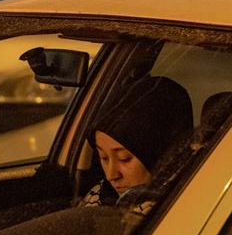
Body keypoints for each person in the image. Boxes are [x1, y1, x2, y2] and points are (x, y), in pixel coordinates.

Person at [79, 76, 194, 215]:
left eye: (124, 158)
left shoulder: (178, 211)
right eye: (104, 157)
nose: (111, 175)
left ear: (163, 154)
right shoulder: (98, 196)